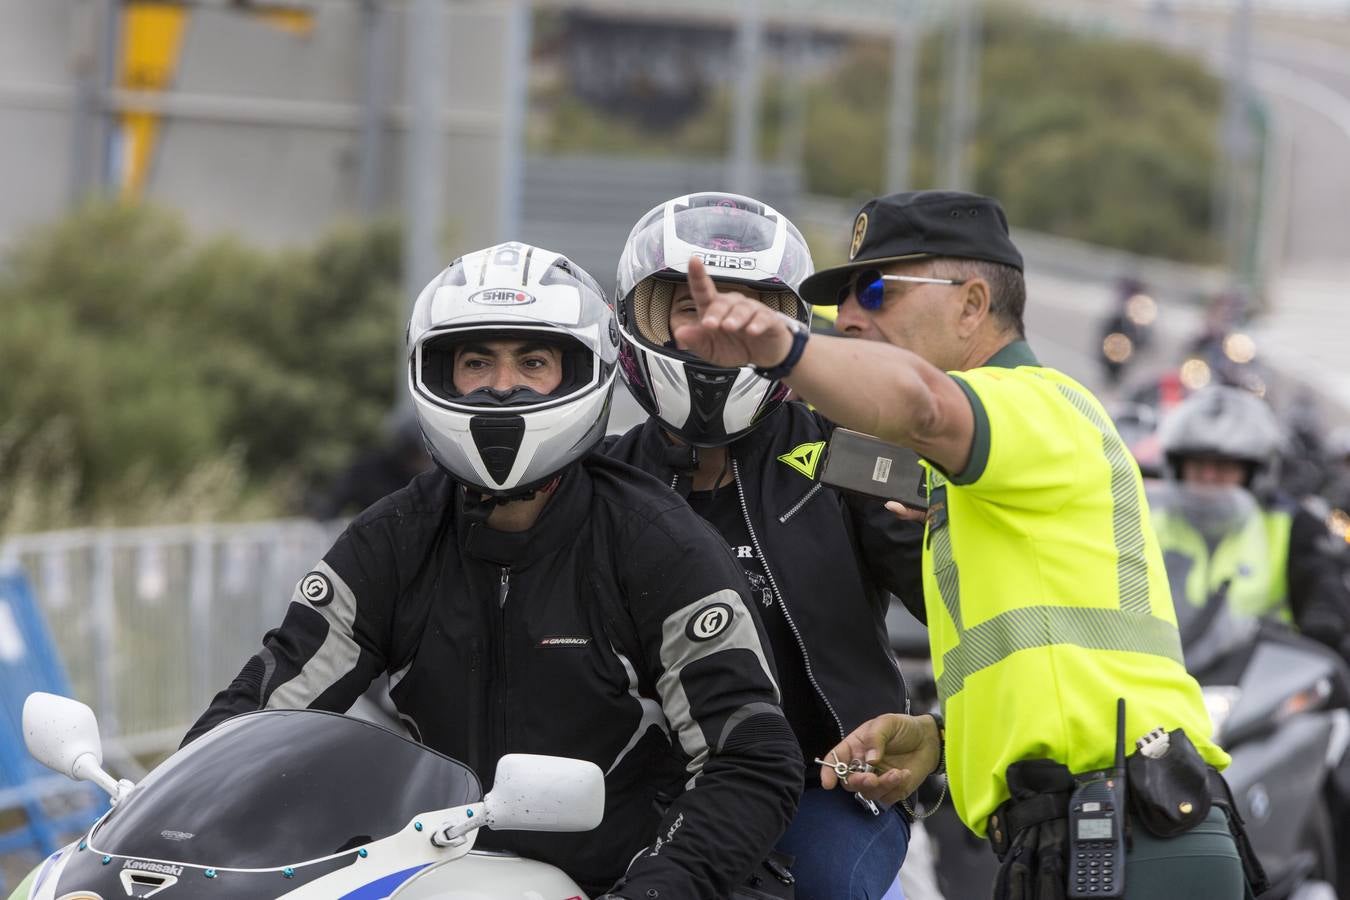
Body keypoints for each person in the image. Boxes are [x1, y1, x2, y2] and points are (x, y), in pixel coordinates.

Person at [674, 189, 1266, 898]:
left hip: (1127, 835)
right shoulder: (986, 474)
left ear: (971, 302)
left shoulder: (1035, 404)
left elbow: (920, 406)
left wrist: (786, 348)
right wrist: (944, 737)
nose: (850, 317)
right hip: (1077, 836)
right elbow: (1051, 655)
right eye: (841, 301)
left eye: (875, 290)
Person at [184, 242, 802, 900]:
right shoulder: (392, 540)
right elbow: (259, 713)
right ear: (437, 374)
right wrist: (161, 828)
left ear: (582, 374)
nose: (502, 386)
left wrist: (652, 891)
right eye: (477, 362)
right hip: (455, 877)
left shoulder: (660, 544)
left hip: (646, 880)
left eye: (532, 362)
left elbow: (751, 759)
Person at [603, 191, 925, 899]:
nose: (718, 333)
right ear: (643, 324)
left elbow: (960, 596)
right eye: (691, 309)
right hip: (640, 788)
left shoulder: (854, 456)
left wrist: (942, 729)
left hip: (829, 786)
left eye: (745, 313)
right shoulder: (603, 478)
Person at [1155, 384, 1350, 661]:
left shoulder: (1290, 526)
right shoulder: (1149, 522)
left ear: (1254, 472)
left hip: (1256, 678)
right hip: (1162, 666)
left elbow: (1322, 583)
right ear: (1176, 468)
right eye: (1197, 465)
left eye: (1223, 467)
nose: (1209, 479)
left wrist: (1325, 617)